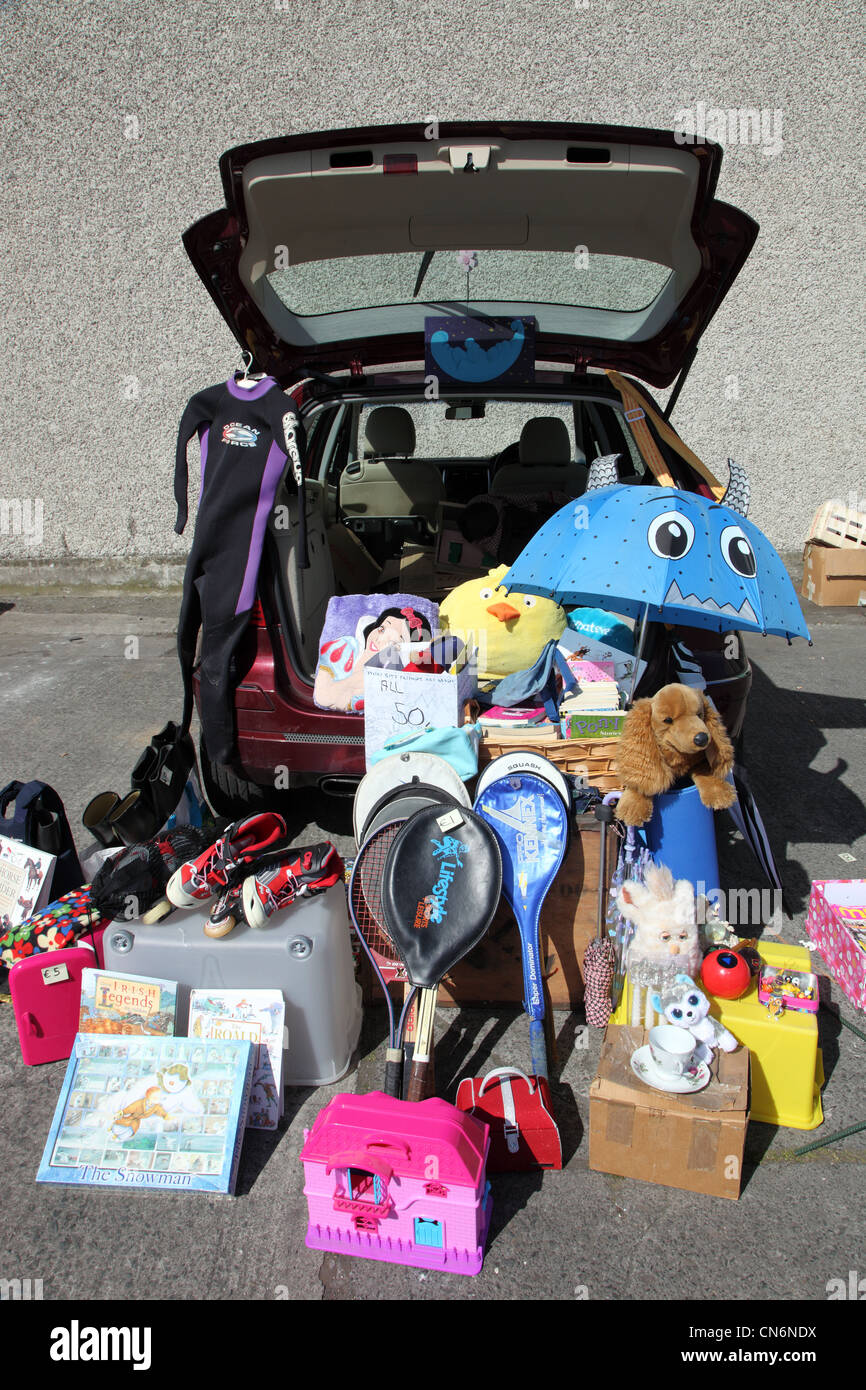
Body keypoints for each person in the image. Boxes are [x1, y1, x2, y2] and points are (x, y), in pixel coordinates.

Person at [314, 606, 433, 712]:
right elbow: (322, 696)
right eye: (382, 629)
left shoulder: (399, 678)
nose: (379, 639)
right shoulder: (344, 648)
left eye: (393, 641)